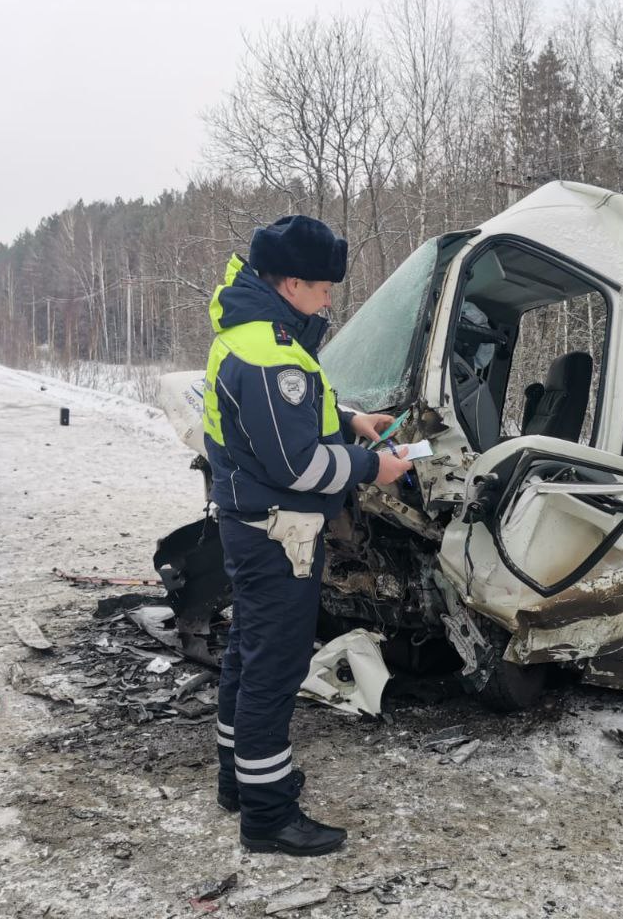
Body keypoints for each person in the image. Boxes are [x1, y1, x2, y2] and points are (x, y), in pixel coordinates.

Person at [202, 214, 414, 856]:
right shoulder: (271, 355)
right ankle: (268, 817)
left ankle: (239, 780)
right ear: (292, 283)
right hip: (279, 532)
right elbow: (299, 465)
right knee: (275, 666)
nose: (329, 299)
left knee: (248, 649)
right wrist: (375, 465)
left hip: (253, 524)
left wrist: (351, 420)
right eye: (324, 289)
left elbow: (292, 422)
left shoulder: (258, 337)